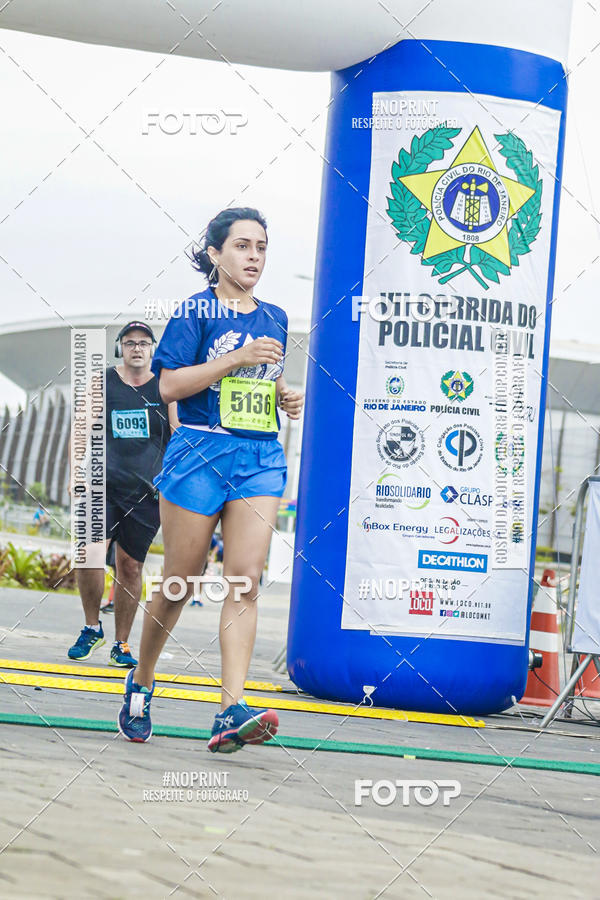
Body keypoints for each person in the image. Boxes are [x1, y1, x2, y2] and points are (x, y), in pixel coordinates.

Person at [117, 207, 304, 748]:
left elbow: (258, 384)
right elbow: (170, 387)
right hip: (200, 452)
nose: (254, 257)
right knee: (182, 581)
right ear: (215, 254)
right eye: (242, 246)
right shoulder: (194, 312)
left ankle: (230, 710)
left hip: (258, 456)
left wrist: (283, 396)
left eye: (261, 247)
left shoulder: (274, 317)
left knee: (245, 578)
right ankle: (143, 677)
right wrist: (237, 357)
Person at [68, 322, 178, 667]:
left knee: (130, 567)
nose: (136, 349)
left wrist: (174, 481)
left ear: (152, 349)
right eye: (129, 343)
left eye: (143, 343)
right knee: (88, 553)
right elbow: (81, 426)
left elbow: (178, 434)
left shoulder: (165, 385)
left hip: (147, 492)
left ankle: (121, 644)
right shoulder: (104, 381)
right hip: (103, 485)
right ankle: (91, 627)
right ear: (121, 348)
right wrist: (75, 473)